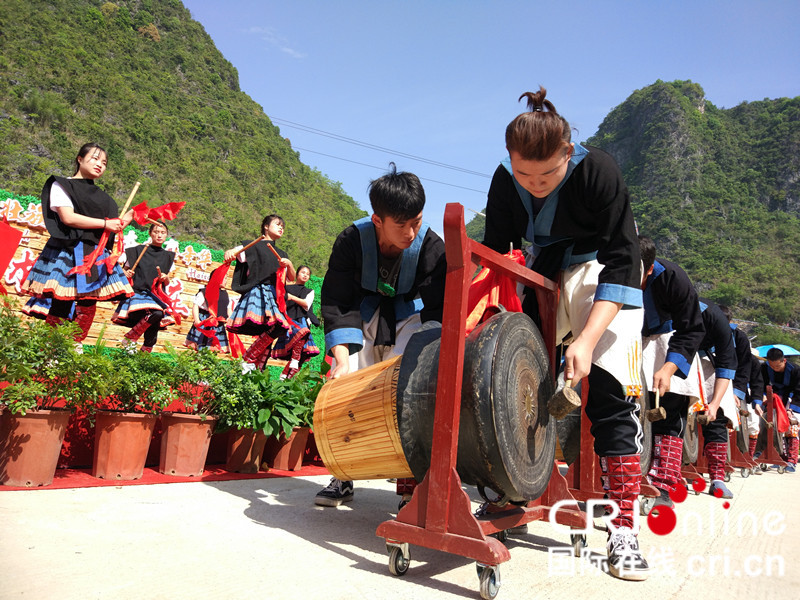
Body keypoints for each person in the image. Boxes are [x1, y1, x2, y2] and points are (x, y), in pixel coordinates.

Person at [482, 87, 647, 580]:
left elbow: (624, 257)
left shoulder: (599, 171)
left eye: (547, 174)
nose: (534, 184)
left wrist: (586, 340)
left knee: (611, 400)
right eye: (523, 173)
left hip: (600, 280)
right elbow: (497, 254)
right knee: (511, 382)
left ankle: (622, 528)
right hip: (540, 275)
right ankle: (509, 490)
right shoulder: (503, 181)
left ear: (568, 154)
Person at [315, 164, 446, 509]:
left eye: (416, 221)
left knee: (407, 390)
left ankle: (408, 488)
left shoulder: (432, 246)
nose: (410, 232)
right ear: (377, 220)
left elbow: (437, 309)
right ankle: (342, 476)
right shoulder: (350, 241)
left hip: (409, 318)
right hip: (361, 316)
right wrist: (341, 358)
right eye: (401, 225)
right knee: (349, 387)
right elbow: (338, 300)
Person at [22, 143, 133, 342]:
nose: (100, 164)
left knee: (88, 306)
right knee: (62, 303)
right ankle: (50, 351)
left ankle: (73, 349)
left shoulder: (107, 200)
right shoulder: (62, 184)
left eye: (104, 162)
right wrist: (106, 223)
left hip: (95, 254)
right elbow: (68, 218)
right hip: (69, 250)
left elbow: (110, 229)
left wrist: (127, 218)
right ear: (79, 159)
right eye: (95, 159)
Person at [638, 236, 704, 509]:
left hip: (668, 345)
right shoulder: (612, 268)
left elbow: (692, 329)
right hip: (632, 343)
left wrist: (668, 366)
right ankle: (628, 480)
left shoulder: (674, 278)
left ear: (649, 268)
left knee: (669, 415)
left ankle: (662, 488)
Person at [225, 214, 297, 372]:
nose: (281, 228)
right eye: (278, 225)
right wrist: (231, 251)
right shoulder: (254, 245)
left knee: (277, 328)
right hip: (259, 291)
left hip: (275, 296)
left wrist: (289, 264)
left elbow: (291, 277)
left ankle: (251, 362)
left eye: (282, 227)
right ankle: (252, 364)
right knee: (276, 326)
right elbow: (238, 251)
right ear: (266, 226)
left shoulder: (282, 254)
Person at [696, 299, 738, 498]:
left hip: (710, 369)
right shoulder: (667, 307)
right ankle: (664, 480)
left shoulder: (721, 326)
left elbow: (729, 363)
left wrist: (715, 403)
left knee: (717, 419)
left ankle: (717, 478)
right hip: (674, 362)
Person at [111, 221, 175, 352]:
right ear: (150, 233)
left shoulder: (168, 256)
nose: (159, 235)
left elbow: (167, 281)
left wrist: (165, 278)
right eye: (156, 232)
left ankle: (142, 356)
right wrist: (126, 273)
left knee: (154, 325)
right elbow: (122, 270)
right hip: (138, 293)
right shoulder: (137, 251)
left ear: (167, 235)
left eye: (162, 233)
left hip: (155, 295)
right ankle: (131, 338)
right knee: (156, 314)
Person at [270, 265, 320, 374]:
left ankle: (286, 376)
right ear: (297, 274)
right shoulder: (286, 288)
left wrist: (292, 297)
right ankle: (286, 370)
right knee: (294, 346)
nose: (305, 275)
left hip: (302, 319)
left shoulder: (309, 291)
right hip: (288, 321)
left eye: (307, 274)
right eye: (303, 272)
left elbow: (306, 304)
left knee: (303, 350)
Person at [761, 347, 800, 472]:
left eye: (777, 366)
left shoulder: (795, 370)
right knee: (775, 428)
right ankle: (779, 457)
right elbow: (761, 385)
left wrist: (791, 409)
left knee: (792, 427)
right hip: (774, 400)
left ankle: (792, 461)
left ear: (784, 360)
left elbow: (799, 391)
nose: (774, 369)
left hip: (792, 401)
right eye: (772, 366)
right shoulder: (765, 368)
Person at [184, 285, 231, 353]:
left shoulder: (224, 294)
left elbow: (228, 308)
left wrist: (230, 319)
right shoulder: (204, 291)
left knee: (214, 346)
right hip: (205, 320)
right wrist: (197, 320)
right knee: (202, 344)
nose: (225, 280)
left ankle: (209, 361)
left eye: (226, 278)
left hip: (217, 323)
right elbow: (196, 305)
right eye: (224, 278)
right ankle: (199, 361)